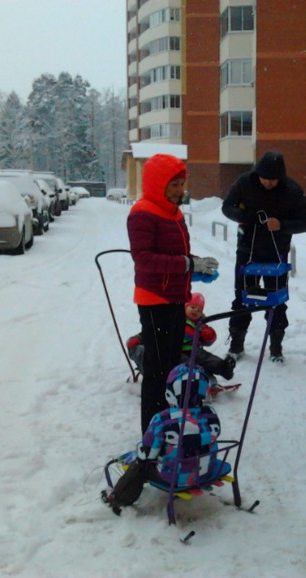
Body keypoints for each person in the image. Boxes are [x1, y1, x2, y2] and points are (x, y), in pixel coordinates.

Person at [127, 153, 220, 434]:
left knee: (171, 366)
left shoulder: (174, 212)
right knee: (156, 371)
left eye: (182, 184)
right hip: (155, 301)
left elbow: (175, 255)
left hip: (176, 298)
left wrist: (195, 267)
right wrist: (187, 264)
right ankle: (151, 434)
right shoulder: (142, 212)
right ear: (158, 184)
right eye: (174, 185)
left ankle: (168, 425)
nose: (181, 190)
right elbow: (144, 259)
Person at [221, 151, 306, 363]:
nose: (268, 183)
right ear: (257, 173)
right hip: (247, 252)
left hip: (276, 255)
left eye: (273, 180)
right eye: (264, 179)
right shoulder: (245, 182)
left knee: (277, 302)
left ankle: (276, 348)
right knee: (241, 300)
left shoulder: (291, 190)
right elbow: (227, 206)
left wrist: (282, 225)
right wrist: (241, 216)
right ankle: (236, 345)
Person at [101, 363, 229, 514]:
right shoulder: (211, 415)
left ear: (170, 393)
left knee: (142, 465)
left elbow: (148, 453)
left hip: (175, 477)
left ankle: (118, 498)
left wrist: (140, 452)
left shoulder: (163, 419)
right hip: (206, 470)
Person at [182, 292, 235, 381]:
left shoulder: (201, 325)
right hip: (180, 350)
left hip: (195, 350)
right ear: (185, 307)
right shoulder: (180, 319)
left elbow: (209, 342)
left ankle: (222, 367)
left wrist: (208, 334)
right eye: (192, 307)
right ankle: (198, 378)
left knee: (205, 358)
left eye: (199, 310)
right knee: (187, 363)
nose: (195, 311)